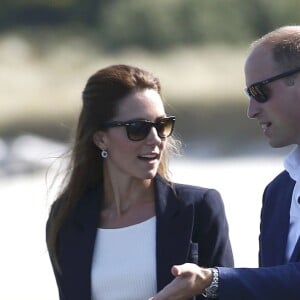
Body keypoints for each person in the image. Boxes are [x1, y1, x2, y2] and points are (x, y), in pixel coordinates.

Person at [46, 64, 234, 300]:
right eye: (138, 129)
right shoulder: (68, 218)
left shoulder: (198, 208)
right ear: (101, 139)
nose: (155, 139)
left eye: (161, 125)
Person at [150, 25, 300, 300]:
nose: (251, 110)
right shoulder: (278, 192)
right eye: (249, 96)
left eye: (259, 91)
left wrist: (212, 280)